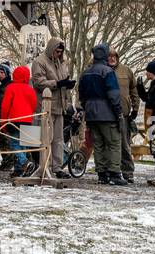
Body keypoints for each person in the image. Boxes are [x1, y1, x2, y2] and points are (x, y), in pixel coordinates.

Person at [79, 43, 127, 186]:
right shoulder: (108, 72)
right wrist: (118, 112)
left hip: (91, 114)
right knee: (113, 143)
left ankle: (102, 174)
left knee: (98, 144)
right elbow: (113, 94)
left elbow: (81, 95)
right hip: (107, 114)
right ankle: (114, 173)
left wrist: (86, 107)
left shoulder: (85, 73)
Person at [30, 36, 75, 178]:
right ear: (51, 49)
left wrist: (67, 88)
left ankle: (57, 167)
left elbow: (63, 80)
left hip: (59, 106)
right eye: (57, 51)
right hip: (45, 106)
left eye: (61, 52)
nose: (59, 54)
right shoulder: (39, 62)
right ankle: (46, 165)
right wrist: (58, 83)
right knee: (46, 138)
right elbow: (38, 82)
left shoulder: (61, 63)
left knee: (58, 139)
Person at [0, 65, 38, 177]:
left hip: (14, 120)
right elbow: (34, 106)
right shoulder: (30, 89)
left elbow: (5, 107)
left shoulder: (11, 87)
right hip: (28, 121)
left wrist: (3, 122)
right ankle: (20, 170)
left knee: (14, 144)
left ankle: (25, 163)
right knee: (23, 145)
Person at [108, 47, 140, 183]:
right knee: (109, 144)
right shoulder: (103, 70)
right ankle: (111, 171)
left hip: (124, 113)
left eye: (114, 56)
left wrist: (135, 108)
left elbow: (134, 89)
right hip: (107, 113)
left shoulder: (126, 70)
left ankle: (128, 172)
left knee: (125, 144)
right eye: (109, 56)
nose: (112, 58)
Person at [0, 61, 14, 169]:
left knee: (6, 140)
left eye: (2, 72)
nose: (0, 74)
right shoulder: (2, 86)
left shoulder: (9, 85)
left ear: (7, 73)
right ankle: (6, 160)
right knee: (2, 140)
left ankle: (8, 162)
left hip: (5, 117)